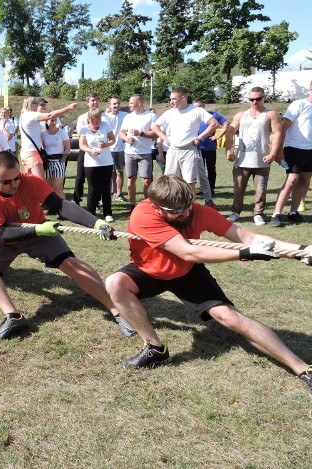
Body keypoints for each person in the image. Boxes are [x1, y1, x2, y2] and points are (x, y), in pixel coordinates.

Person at [104, 174, 312, 395]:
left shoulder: (197, 211)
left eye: (187, 206)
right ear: (157, 208)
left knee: (230, 317)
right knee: (115, 283)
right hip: (149, 270)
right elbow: (189, 251)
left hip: (186, 272)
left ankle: (303, 368)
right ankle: (155, 348)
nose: (185, 213)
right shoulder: (143, 215)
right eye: (176, 211)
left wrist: (300, 251)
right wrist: (244, 254)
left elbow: (245, 236)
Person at [0, 151, 135, 340]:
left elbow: (60, 205)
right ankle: (13, 316)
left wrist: (95, 223)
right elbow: (2, 233)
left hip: (39, 233)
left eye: (16, 178)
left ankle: (118, 311)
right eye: (6, 182)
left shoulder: (31, 182)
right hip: (5, 235)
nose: (14, 184)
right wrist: (39, 230)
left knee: (71, 263)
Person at [224, 87, 282, 225]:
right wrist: (228, 151)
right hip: (242, 161)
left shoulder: (271, 114)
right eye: (251, 99)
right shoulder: (241, 115)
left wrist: (272, 154)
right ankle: (236, 212)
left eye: (258, 99)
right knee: (238, 189)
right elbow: (230, 131)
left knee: (260, 191)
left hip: (262, 160)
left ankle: (258, 214)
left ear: (264, 98)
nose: (254, 102)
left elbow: (278, 134)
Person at [152, 87, 218, 198]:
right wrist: (164, 137)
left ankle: (191, 209)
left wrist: (200, 137)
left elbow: (214, 123)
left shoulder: (196, 111)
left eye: (173, 99)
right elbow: (155, 126)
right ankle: (173, 207)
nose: (171, 102)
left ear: (183, 98)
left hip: (189, 150)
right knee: (171, 182)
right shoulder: (169, 113)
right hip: (172, 150)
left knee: (189, 182)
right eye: (170, 99)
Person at [269, 80, 312, 227]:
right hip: (293, 148)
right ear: (310, 87)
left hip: (310, 151)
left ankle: (293, 212)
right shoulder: (298, 104)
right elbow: (283, 127)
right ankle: (276, 214)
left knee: (304, 180)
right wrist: (279, 150)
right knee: (292, 180)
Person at [20, 97, 78, 180]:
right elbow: (50, 115)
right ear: (32, 104)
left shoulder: (24, 115)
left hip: (27, 152)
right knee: (40, 182)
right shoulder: (31, 114)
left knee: (28, 181)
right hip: (32, 153)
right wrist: (69, 108)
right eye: (36, 103)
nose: (38, 106)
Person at [119, 94, 157, 211]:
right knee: (131, 179)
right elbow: (121, 132)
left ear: (139, 103)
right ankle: (133, 205)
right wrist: (126, 138)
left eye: (131, 103)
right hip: (129, 152)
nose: (129, 105)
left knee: (146, 180)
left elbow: (156, 134)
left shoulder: (151, 116)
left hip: (145, 153)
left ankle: (148, 205)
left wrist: (140, 133)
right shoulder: (128, 117)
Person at [79, 109, 115, 221]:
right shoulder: (84, 129)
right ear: (90, 119)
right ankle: (91, 212)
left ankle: (108, 213)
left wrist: (106, 144)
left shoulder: (105, 125)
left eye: (99, 118)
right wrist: (90, 150)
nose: (98, 121)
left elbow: (113, 139)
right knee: (92, 189)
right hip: (91, 163)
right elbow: (82, 145)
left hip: (106, 162)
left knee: (105, 188)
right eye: (95, 119)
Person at [193, 99, 229, 195]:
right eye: (195, 107)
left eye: (199, 106)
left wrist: (218, 136)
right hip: (197, 148)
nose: (198, 109)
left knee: (211, 168)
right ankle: (203, 189)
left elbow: (226, 124)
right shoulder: (192, 117)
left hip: (210, 148)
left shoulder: (213, 115)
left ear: (203, 106)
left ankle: (211, 189)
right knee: (200, 170)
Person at [74, 93, 100, 204]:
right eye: (92, 100)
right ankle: (77, 199)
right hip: (85, 150)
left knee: (96, 178)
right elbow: (80, 133)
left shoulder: (103, 116)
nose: (94, 102)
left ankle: (96, 201)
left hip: (98, 152)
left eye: (96, 100)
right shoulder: (82, 118)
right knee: (80, 176)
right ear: (87, 103)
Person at [103, 95, 128, 201]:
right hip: (108, 149)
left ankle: (118, 193)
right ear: (110, 105)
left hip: (121, 149)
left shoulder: (125, 115)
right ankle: (107, 194)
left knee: (120, 171)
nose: (116, 105)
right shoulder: (104, 117)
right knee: (107, 173)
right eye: (114, 103)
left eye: (118, 103)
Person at [41, 116, 70, 201]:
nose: (53, 123)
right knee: (49, 189)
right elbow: (43, 148)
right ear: (47, 122)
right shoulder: (43, 134)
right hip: (48, 162)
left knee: (58, 188)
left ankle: (64, 209)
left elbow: (67, 148)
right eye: (51, 121)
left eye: (55, 121)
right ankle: (52, 207)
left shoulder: (62, 132)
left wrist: (63, 160)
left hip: (59, 161)